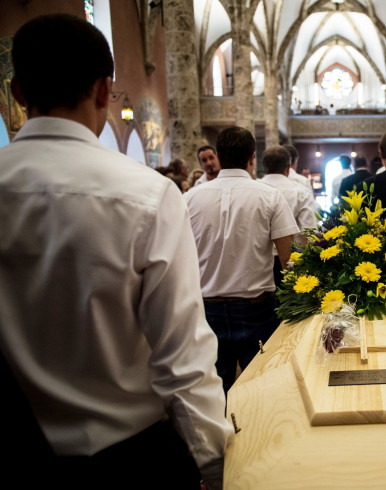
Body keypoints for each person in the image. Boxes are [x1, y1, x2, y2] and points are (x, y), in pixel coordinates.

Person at [0, 14, 230, 489]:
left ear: (18, 92)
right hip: (127, 459)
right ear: (105, 90)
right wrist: (213, 460)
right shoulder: (147, 195)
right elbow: (181, 357)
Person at [185, 127, 299, 394]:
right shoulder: (269, 195)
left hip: (205, 309)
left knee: (212, 390)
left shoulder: (189, 198)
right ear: (252, 157)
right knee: (259, 388)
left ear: (219, 157)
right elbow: (289, 261)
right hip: (256, 309)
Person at [260, 145, 318, 286]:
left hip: (259, 260)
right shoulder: (300, 192)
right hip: (291, 259)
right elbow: (307, 232)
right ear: (288, 167)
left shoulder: (254, 189)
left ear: (264, 167)